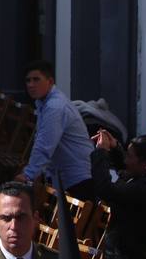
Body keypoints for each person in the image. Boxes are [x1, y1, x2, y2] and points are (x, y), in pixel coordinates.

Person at [14, 61, 94, 199]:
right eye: (28, 80)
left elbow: (45, 144)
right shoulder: (44, 104)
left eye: (36, 79)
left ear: (50, 81)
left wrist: (28, 174)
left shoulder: (54, 107)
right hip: (65, 178)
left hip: (77, 178)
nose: (31, 85)